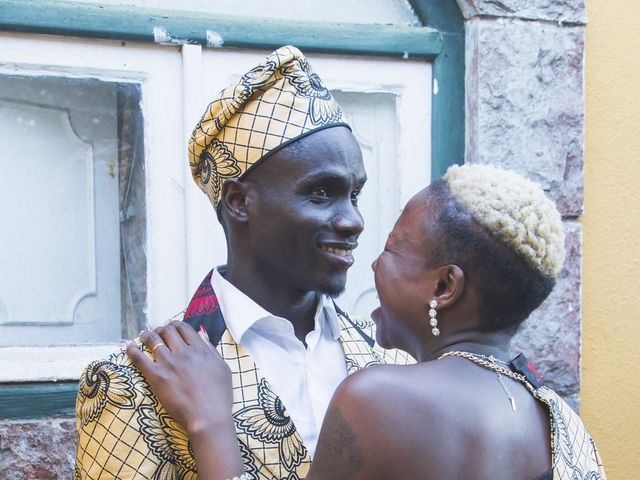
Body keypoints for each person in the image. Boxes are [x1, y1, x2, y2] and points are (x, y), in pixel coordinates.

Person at [127, 164, 607, 480]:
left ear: (444, 287)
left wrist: (210, 421)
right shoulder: (560, 422)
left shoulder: (379, 397)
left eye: (394, 248)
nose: (372, 262)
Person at [74, 45, 410, 480]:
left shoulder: (393, 362)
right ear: (238, 202)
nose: (354, 221)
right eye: (321, 193)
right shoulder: (132, 386)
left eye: (355, 195)